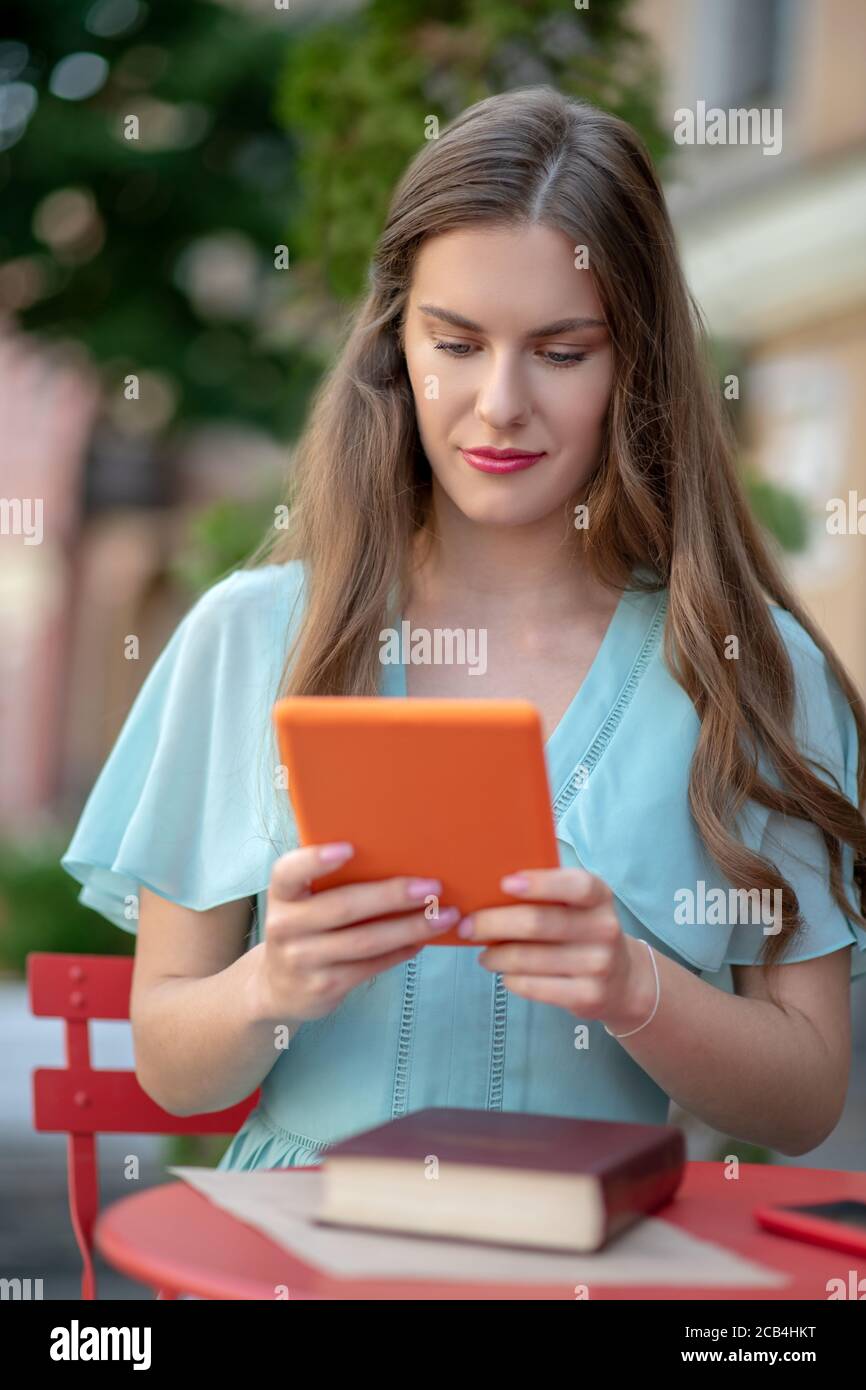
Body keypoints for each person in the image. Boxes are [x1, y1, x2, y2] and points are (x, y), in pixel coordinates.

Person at [62, 87, 866, 1172]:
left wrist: (635, 988)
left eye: (562, 351)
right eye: (454, 341)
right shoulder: (245, 636)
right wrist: (271, 983)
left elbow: (804, 1098)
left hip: (592, 1261)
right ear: (395, 346)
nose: (497, 402)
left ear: (637, 367)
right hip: (303, 1260)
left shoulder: (750, 669)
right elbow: (169, 1062)